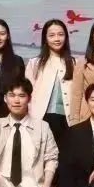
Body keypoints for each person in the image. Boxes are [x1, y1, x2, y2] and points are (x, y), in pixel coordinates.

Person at [25, 19, 80, 150]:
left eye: (60, 34)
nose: (57, 39)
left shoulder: (75, 63)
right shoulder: (35, 63)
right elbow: (26, 95)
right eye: (52, 35)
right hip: (41, 119)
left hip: (67, 120)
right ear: (45, 38)